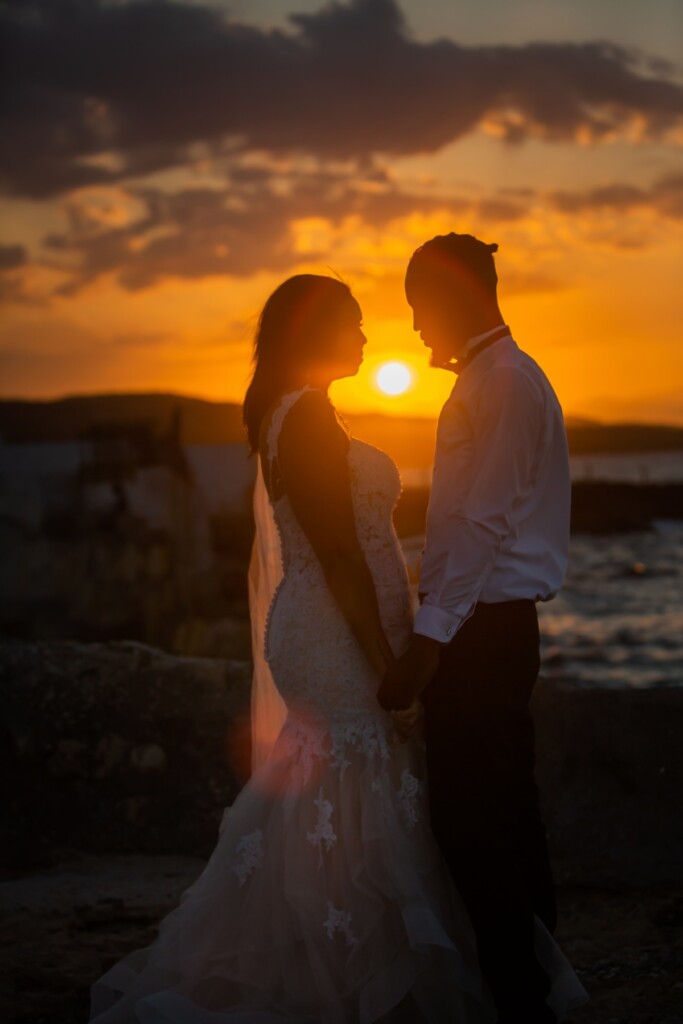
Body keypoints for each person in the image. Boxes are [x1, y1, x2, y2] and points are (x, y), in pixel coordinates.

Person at [88, 273, 496, 1023]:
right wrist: (390, 667)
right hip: (334, 635)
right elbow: (339, 557)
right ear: (313, 333)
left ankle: (340, 959)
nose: (368, 338)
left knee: (333, 793)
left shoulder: (295, 413)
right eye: (354, 323)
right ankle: (349, 972)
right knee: (358, 781)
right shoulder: (305, 418)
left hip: (325, 627)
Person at [378, 233, 585, 1022]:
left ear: (455, 294)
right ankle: (535, 979)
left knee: (471, 821)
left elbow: (480, 523)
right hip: (490, 625)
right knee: (504, 809)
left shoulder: (500, 382)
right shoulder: (499, 376)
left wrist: (428, 643)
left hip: (482, 631)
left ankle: (519, 998)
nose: (416, 328)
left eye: (418, 308)